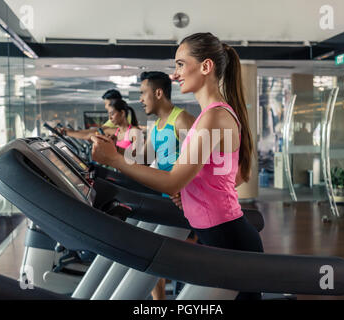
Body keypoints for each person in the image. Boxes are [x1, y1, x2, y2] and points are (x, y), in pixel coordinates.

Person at [91, 32, 263, 300]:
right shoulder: (213, 114)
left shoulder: (213, 116)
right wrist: (193, 195)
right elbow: (237, 175)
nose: (175, 74)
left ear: (206, 67)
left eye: (181, 64)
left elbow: (173, 180)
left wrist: (114, 159)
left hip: (228, 238)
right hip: (221, 234)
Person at [138, 71, 195, 299]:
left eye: (143, 93)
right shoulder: (158, 126)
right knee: (153, 255)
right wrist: (110, 153)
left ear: (158, 93)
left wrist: (188, 190)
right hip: (165, 200)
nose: (140, 99)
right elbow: (140, 160)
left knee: (172, 257)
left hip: (186, 202)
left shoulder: (181, 120)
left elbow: (207, 159)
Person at [62, 89, 131, 140]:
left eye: (106, 104)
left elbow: (98, 131)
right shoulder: (123, 121)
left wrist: (71, 132)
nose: (105, 106)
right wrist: (73, 132)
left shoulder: (120, 121)